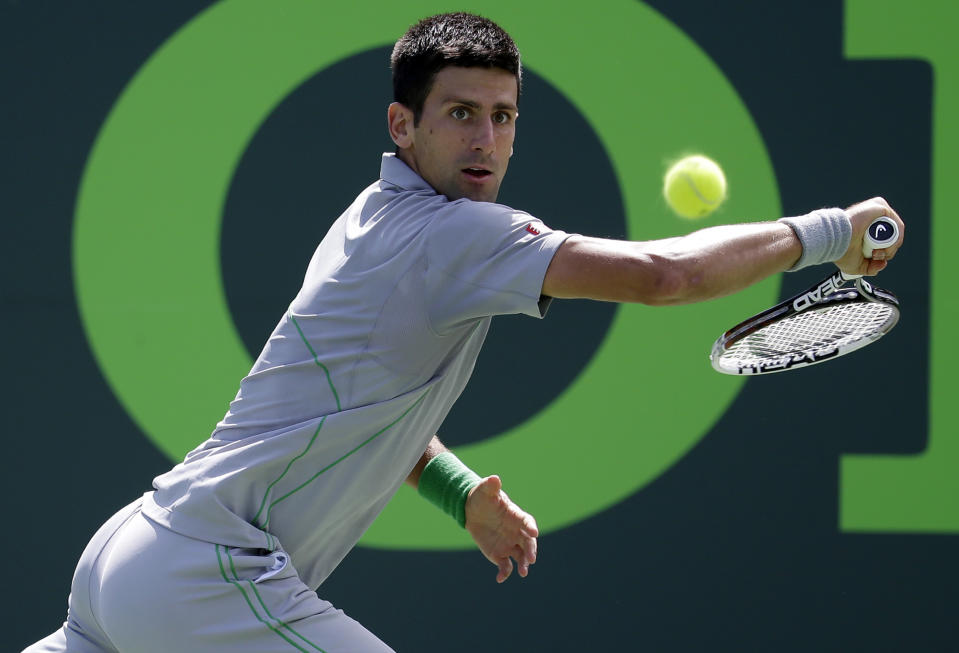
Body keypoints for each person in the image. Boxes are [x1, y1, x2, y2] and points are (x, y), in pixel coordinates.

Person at [27, 11, 904, 653]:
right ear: (401, 126)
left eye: (504, 115)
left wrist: (460, 494)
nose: (486, 139)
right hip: (200, 574)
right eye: (460, 114)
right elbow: (662, 276)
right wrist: (829, 230)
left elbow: (371, 402)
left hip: (123, 564)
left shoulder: (370, 215)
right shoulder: (451, 233)